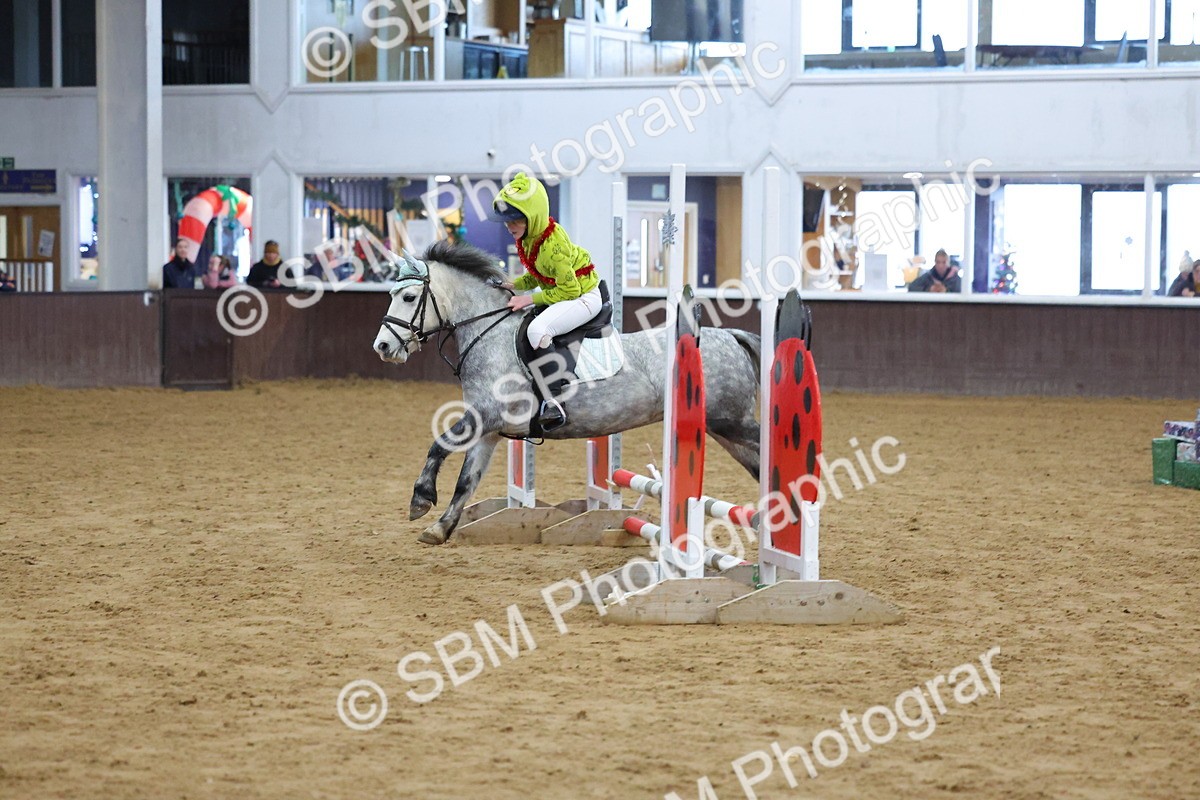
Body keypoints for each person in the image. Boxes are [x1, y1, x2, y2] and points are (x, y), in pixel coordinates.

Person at [492, 171, 601, 430]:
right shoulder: (531, 239)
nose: (510, 226)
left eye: (515, 220)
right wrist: (512, 284)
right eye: (507, 221)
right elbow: (537, 275)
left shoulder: (553, 246)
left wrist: (528, 299)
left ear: (533, 217)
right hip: (566, 293)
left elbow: (570, 291)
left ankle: (553, 401)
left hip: (584, 297)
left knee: (538, 329)